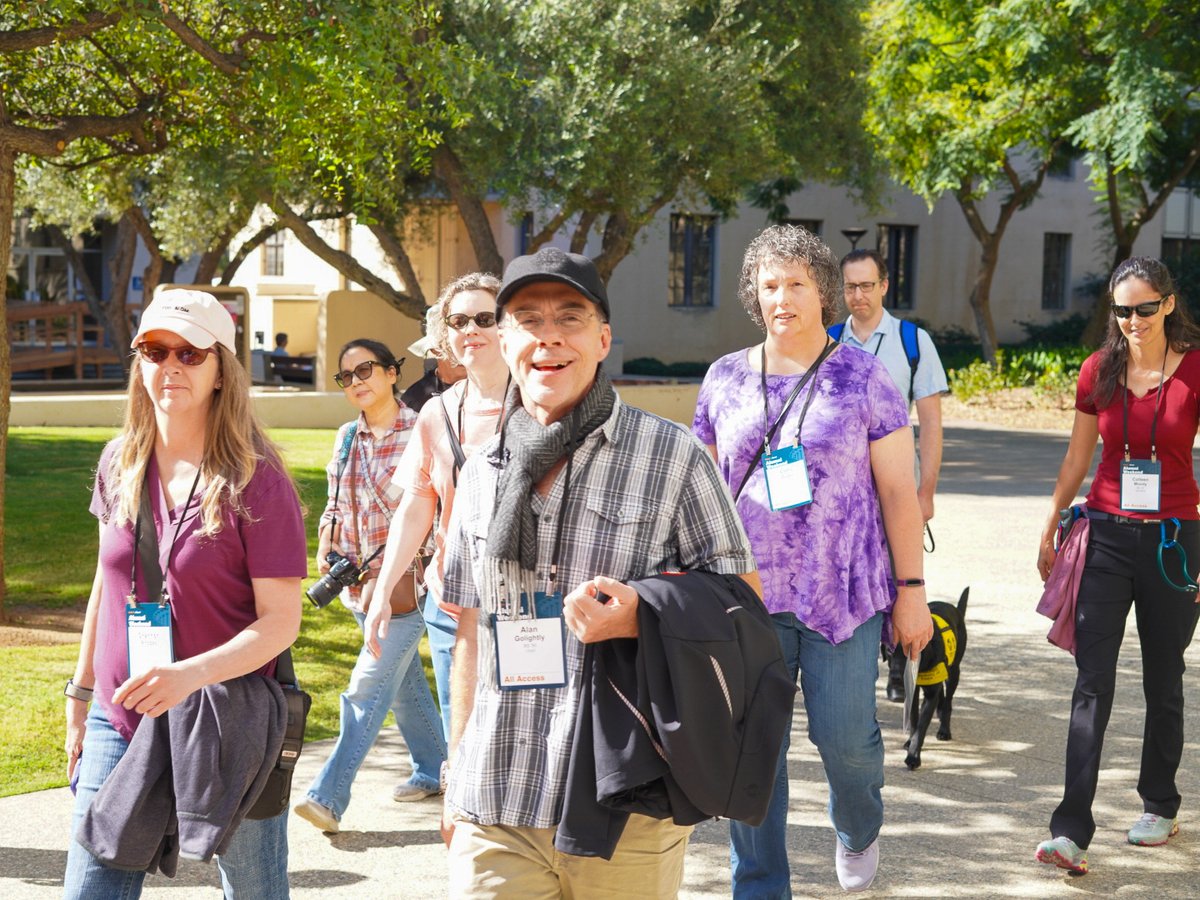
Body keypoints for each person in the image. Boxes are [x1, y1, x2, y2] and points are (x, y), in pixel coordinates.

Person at [440, 247, 758, 898]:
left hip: (625, 802)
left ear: (603, 339)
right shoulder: (479, 474)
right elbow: (469, 630)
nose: (549, 336)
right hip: (496, 793)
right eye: (528, 320)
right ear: (505, 341)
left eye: (570, 317)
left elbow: (744, 605)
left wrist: (646, 613)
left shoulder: (672, 456)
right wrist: (455, 768)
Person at [692, 225, 933, 895]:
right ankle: (760, 883)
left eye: (796, 283)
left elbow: (898, 492)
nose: (783, 298)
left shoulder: (863, 376)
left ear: (822, 290)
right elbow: (701, 490)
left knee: (847, 745)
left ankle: (857, 827)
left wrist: (912, 590)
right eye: (769, 285)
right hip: (744, 599)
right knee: (752, 754)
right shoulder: (725, 378)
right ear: (754, 294)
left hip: (843, 596)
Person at [63, 288, 307, 898]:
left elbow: (281, 621)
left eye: (190, 353)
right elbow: (106, 585)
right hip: (121, 715)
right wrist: (81, 696)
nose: (170, 365)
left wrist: (188, 675)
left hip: (226, 721)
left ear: (222, 370)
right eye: (155, 351)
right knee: (90, 889)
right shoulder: (118, 462)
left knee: (253, 890)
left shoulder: (258, 478)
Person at [1034, 257, 1200, 876]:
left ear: (1169, 304)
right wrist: (1051, 522)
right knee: (1091, 680)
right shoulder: (1097, 371)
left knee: (1164, 678)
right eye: (1123, 310)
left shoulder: (1196, 371)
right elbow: (1077, 458)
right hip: (1104, 536)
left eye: (1145, 308)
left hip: (1174, 543)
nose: (1133, 320)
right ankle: (1070, 830)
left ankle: (1160, 803)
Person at [292, 339, 446, 835]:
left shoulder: (422, 429)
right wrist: (326, 541)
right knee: (403, 684)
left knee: (366, 686)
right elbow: (335, 502)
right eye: (347, 376)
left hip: (407, 587)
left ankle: (327, 796)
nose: (356, 381)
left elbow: (435, 510)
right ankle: (435, 766)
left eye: (366, 370)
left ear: (392, 372)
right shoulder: (345, 437)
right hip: (358, 587)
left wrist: (393, 567)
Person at [367, 272, 509, 742]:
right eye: (458, 321)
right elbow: (416, 507)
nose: (471, 330)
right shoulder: (436, 412)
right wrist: (383, 591)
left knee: (526, 742)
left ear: (507, 325)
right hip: (450, 607)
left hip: (526, 607)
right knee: (462, 742)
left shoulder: (540, 406)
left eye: (485, 318)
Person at [835, 249, 948, 703]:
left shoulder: (912, 341)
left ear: (884, 286)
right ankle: (854, 663)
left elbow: (931, 423)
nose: (858, 295)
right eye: (850, 287)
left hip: (896, 488)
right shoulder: (827, 340)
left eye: (866, 285)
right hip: (843, 493)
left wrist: (927, 491)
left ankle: (900, 665)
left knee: (902, 574)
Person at [401, 306, 467, 412]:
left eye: (468, 345)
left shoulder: (491, 385)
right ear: (435, 350)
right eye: (451, 346)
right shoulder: (416, 397)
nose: (463, 353)